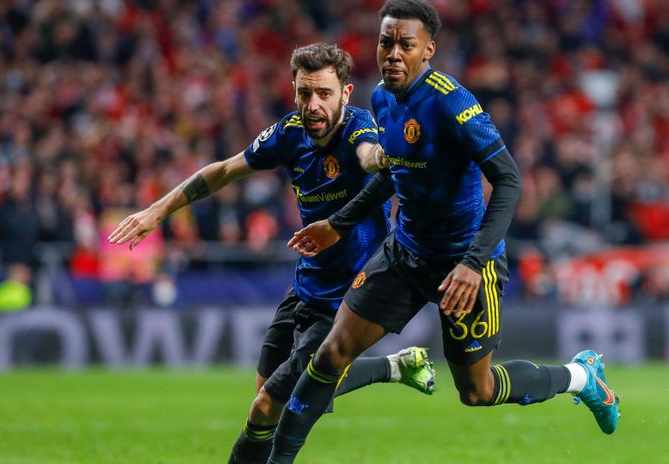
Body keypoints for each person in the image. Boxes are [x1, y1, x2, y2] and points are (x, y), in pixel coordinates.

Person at [268, 2, 620, 462]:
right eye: (385, 42)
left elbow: (510, 180)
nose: (392, 53)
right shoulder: (380, 99)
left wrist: (474, 264)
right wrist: (339, 223)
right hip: (406, 253)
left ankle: (580, 377)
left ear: (427, 50)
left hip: (466, 262)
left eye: (405, 45)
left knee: (478, 390)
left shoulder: (451, 102)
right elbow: (394, 174)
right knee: (331, 353)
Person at [106, 42, 436, 464]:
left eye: (324, 94)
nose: (312, 105)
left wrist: (382, 157)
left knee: (266, 409)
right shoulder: (289, 133)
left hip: (347, 301)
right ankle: (394, 367)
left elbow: (369, 156)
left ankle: (387, 368)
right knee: (267, 396)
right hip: (305, 286)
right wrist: (157, 210)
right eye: (304, 93)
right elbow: (224, 170)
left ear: (346, 94)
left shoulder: (360, 129)